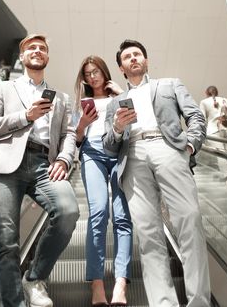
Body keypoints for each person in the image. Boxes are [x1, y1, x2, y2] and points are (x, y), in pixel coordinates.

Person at [103, 39, 211, 307]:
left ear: (146, 60)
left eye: (137, 54)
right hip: (134, 154)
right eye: (127, 57)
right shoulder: (114, 103)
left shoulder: (170, 84)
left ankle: (199, 301)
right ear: (121, 67)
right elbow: (108, 145)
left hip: (169, 149)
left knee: (190, 220)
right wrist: (116, 128)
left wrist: (189, 146)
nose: (133, 58)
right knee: (148, 234)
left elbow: (196, 116)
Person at [0, 34, 80, 307]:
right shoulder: (3, 88)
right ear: (22, 57)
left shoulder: (61, 98)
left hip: (44, 164)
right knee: (7, 239)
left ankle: (34, 278)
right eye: (31, 48)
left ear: (47, 57)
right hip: (6, 166)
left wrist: (64, 160)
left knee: (69, 210)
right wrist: (26, 116)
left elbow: (70, 134)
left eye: (43, 48)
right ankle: (14, 303)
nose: (37, 51)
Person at [73, 55, 132, 307]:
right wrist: (83, 125)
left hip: (119, 152)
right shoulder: (79, 103)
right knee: (98, 212)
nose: (92, 76)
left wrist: (122, 93)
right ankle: (97, 284)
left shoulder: (117, 95)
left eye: (96, 71)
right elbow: (75, 139)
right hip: (91, 152)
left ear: (104, 71)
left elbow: (134, 121)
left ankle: (121, 283)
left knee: (122, 216)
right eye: (87, 73)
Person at [199, 85, 227, 184]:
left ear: (206, 93)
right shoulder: (224, 100)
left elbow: (201, 119)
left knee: (221, 154)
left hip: (213, 131)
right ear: (216, 92)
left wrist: (201, 134)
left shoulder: (204, 102)